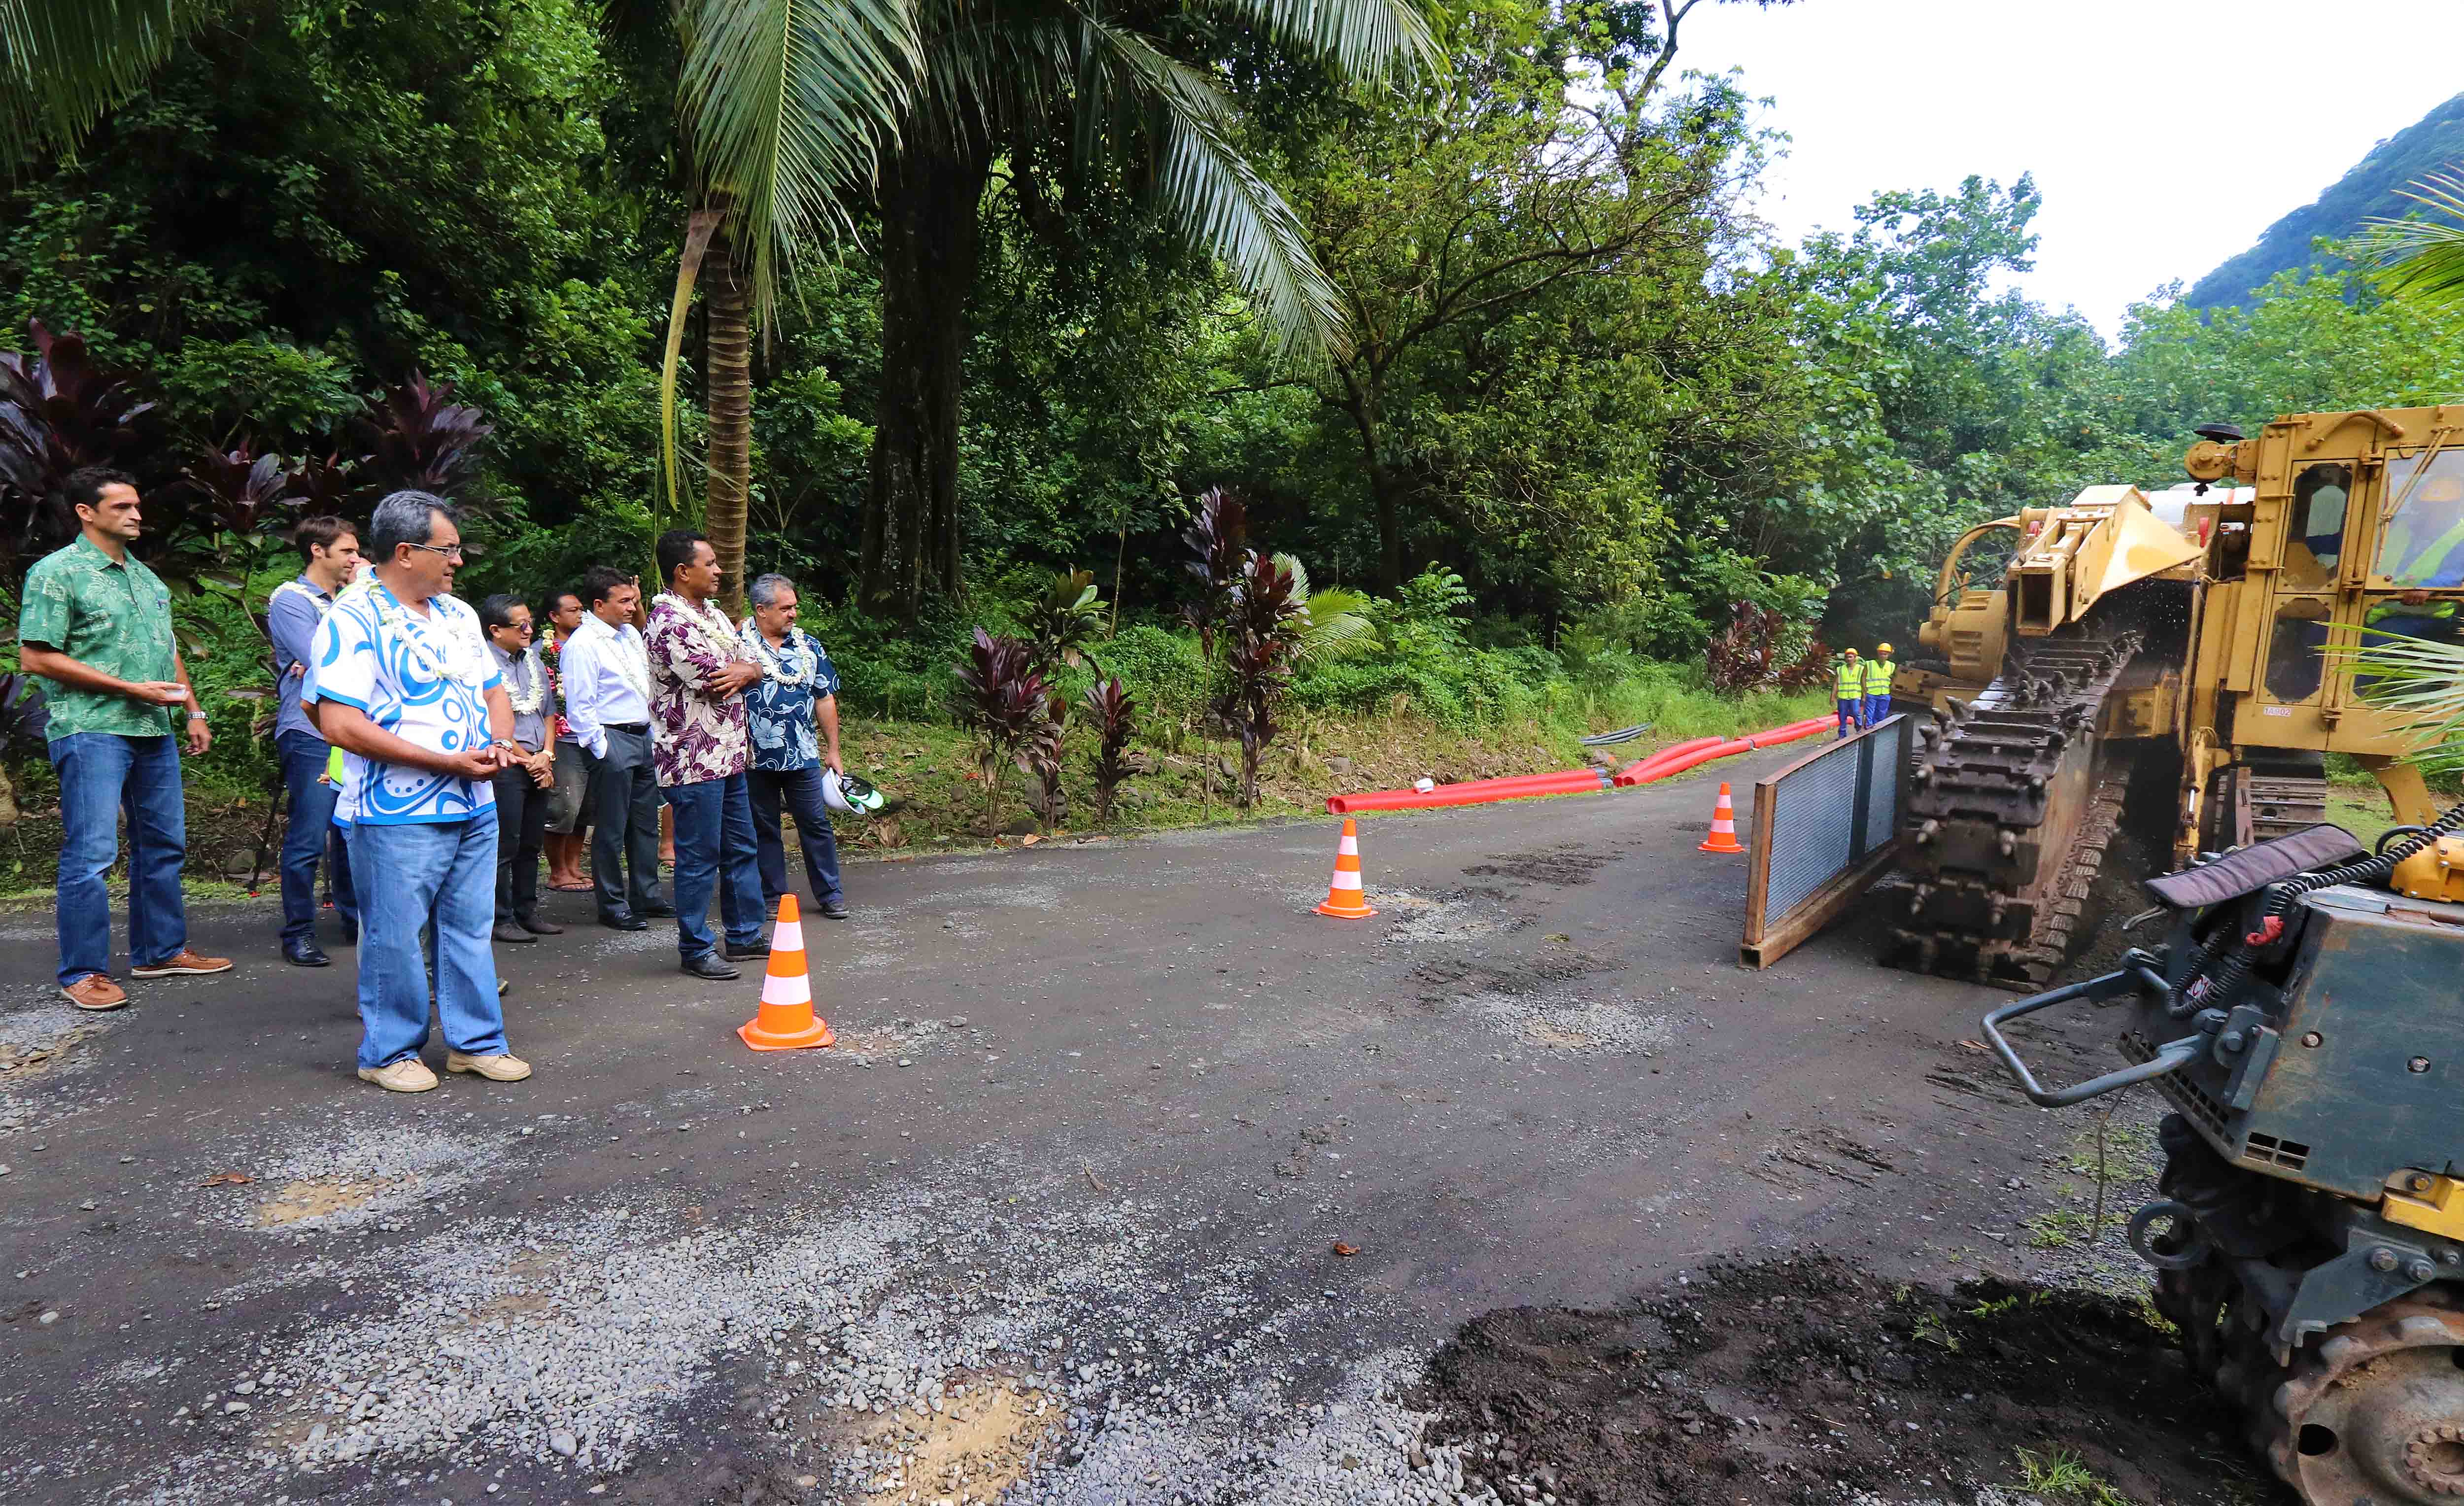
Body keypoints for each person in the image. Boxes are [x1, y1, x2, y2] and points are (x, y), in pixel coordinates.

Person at [304, 490, 530, 1093]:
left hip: (474, 801)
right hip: (394, 810)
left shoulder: (455, 614)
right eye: (448, 549)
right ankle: (389, 1051)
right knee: (394, 934)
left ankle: (475, 1043)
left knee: (468, 926)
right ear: (405, 552)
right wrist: (444, 761)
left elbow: (493, 691)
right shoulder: (353, 617)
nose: (458, 561)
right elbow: (338, 721)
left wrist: (500, 745)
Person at [18, 467, 234, 1010]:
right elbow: (36, 655)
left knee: (163, 845)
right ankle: (83, 972)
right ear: (86, 512)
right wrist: (128, 688)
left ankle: (159, 951)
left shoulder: (147, 578)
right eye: (121, 506)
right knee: (92, 853)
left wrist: (193, 709)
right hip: (91, 727)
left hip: (153, 729)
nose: (136, 514)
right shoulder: (56, 573)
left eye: (137, 505)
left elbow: (167, 650)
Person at [644, 530, 768, 980]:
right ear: (683, 571)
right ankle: (695, 948)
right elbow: (713, 679)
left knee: (741, 845)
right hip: (692, 758)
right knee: (697, 856)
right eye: (710, 564)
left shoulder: (711, 614)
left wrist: (750, 669)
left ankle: (744, 934)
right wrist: (747, 670)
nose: (719, 571)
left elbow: (755, 661)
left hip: (730, 752)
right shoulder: (667, 622)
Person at [267, 515, 363, 967]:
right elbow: (322, 660)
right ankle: (298, 931)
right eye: (347, 551)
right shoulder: (290, 599)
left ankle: (353, 917)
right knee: (311, 833)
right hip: (309, 732)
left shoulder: (351, 600)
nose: (356, 560)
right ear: (317, 551)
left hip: (356, 729)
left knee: (351, 831)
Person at [560, 565, 671, 931]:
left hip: (643, 735)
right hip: (613, 738)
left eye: (633, 600)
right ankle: (612, 903)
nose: (630, 608)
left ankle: (646, 894)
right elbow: (580, 705)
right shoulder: (583, 644)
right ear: (598, 605)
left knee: (644, 823)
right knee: (610, 826)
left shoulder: (628, 636)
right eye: (623, 601)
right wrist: (601, 747)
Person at [740, 574, 851, 922]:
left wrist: (833, 750)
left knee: (815, 824)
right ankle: (772, 896)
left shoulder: (810, 646)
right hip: (752, 756)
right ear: (761, 610)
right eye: (786, 608)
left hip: (802, 754)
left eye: (795, 607)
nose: (794, 614)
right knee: (764, 827)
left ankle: (831, 895)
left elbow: (825, 698)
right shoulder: (736, 644)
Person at [480, 594, 562, 944]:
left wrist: (546, 755)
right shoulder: (483, 664)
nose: (530, 630)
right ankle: (501, 917)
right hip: (508, 763)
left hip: (539, 761)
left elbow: (548, 711)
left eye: (531, 621)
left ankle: (527, 910)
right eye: (521, 625)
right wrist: (528, 760)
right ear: (496, 630)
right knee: (506, 844)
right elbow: (491, 720)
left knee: (531, 842)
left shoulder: (533, 661)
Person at [539, 587, 593, 892]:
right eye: (572, 610)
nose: (580, 614)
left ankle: (574, 867)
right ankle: (557, 871)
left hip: (589, 736)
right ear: (554, 617)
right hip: (561, 737)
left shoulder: (590, 645)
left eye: (581, 609)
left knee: (585, 807)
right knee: (564, 806)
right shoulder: (541, 651)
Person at [1863, 642, 1895, 727]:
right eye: (1881, 654)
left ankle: (1877, 730)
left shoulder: (1892, 666)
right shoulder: (1869, 664)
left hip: (1885, 694)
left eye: (1885, 654)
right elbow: (1863, 678)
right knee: (1870, 714)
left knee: (1881, 715)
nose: (1883, 656)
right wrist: (1865, 691)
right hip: (1871, 693)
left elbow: (1894, 679)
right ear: (1878, 654)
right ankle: (1869, 730)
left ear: (1889, 655)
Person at [1833, 647, 1863, 739]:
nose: (1849, 659)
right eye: (1847, 657)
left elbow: (1864, 682)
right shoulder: (1840, 669)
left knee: (1856, 712)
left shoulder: (1861, 669)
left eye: (1851, 657)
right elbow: (1836, 683)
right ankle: (1842, 734)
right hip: (1843, 697)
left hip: (1855, 695)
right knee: (1842, 715)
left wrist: (1865, 695)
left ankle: (1859, 729)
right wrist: (1833, 696)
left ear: (1855, 658)